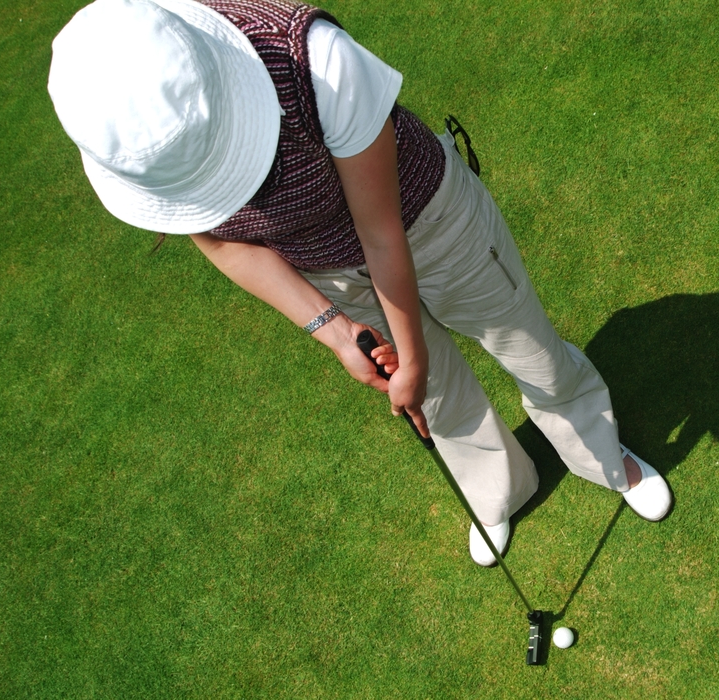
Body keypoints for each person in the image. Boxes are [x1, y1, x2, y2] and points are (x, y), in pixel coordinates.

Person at [47, 0, 672, 567]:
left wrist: (414, 354)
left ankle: (599, 452)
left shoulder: (314, 59)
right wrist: (333, 329)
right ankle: (496, 491)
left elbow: (381, 234)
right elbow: (222, 242)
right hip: (327, 271)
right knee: (434, 399)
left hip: (430, 219)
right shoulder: (132, 145)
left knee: (530, 350)